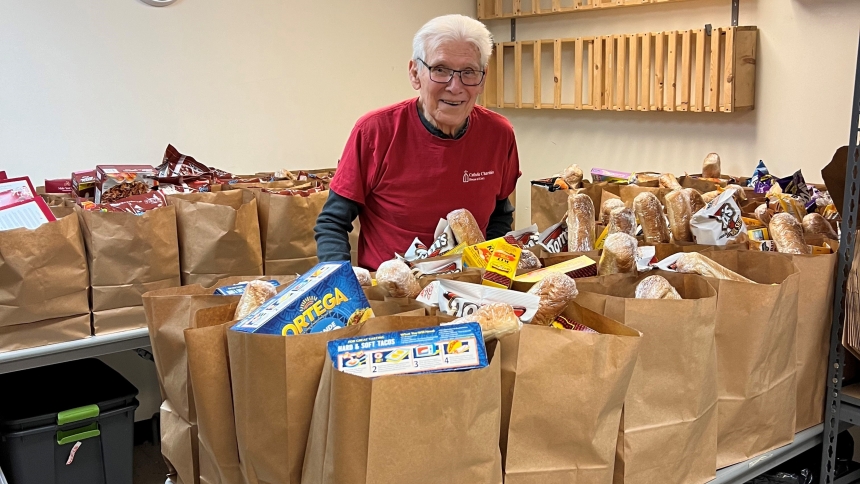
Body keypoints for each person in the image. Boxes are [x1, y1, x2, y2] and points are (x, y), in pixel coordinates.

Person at [314, 14, 521, 270]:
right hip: (393, 296)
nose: (455, 86)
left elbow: (501, 213)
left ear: (482, 78)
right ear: (415, 74)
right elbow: (332, 222)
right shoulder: (374, 132)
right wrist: (343, 286)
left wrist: (491, 271)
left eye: (468, 72)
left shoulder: (499, 134)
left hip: (469, 287)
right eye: (440, 70)